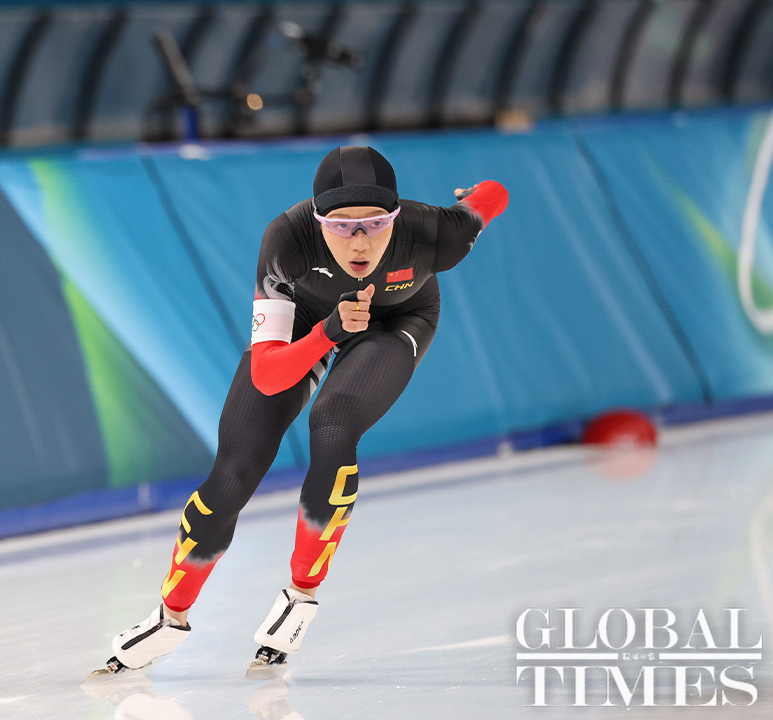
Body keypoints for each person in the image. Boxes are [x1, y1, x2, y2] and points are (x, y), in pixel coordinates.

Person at [97, 145, 509, 674]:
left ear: (396, 216)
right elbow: (269, 376)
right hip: (309, 320)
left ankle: (301, 594)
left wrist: (472, 196)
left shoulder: (436, 233)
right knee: (233, 472)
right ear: (317, 222)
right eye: (340, 227)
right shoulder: (287, 240)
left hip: (398, 319)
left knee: (332, 426)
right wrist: (327, 332)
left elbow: (493, 196)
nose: (359, 242)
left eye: (375, 223)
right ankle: (170, 614)